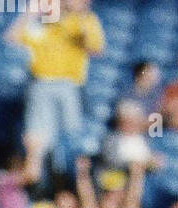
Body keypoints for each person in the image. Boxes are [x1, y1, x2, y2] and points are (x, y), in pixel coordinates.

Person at [6, 0, 105, 183]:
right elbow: (12, 37)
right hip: (41, 85)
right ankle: (35, 184)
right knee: (36, 144)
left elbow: (96, 48)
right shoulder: (42, 25)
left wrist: (79, 15)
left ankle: (70, 181)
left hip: (70, 86)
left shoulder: (86, 20)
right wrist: (30, 13)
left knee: (72, 138)